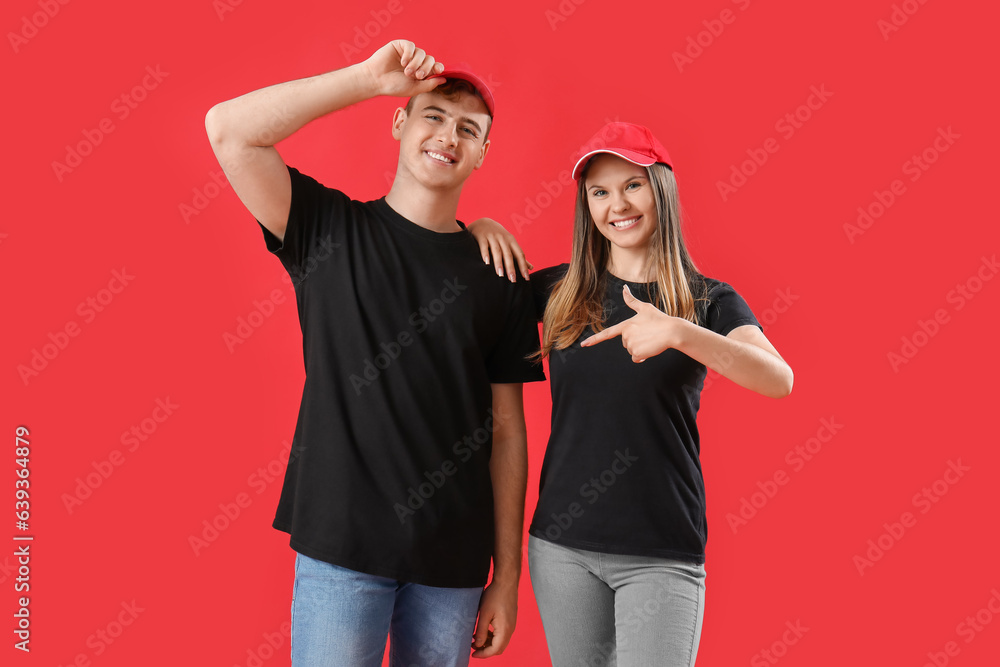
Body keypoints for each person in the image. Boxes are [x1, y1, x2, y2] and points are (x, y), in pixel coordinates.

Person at [205, 40, 544, 666]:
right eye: (433, 115)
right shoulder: (327, 231)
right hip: (342, 550)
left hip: (453, 567)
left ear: (483, 153)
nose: (448, 136)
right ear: (399, 122)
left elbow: (506, 433)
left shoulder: (502, 276)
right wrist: (365, 79)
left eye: (469, 128)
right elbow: (228, 130)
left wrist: (506, 578)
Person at [467, 121, 794, 666]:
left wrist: (680, 332)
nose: (617, 204)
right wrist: (480, 227)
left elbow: (777, 379)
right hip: (562, 549)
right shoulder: (557, 290)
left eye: (632, 185)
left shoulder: (705, 299)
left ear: (659, 188)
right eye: (600, 192)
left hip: (660, 554)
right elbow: (465, 293)